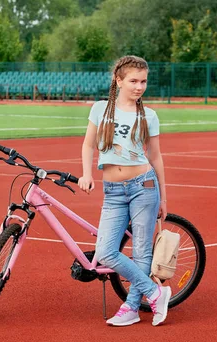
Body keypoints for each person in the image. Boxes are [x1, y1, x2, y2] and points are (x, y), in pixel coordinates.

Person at [78, 55, 171, 327]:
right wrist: (86, 173)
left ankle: (131, 307)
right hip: (113, 190)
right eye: (133, 81)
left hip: (144, 186)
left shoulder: (149, 115)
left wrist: (163, 197)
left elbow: (156, 157)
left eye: (143, 81)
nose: (139, 86)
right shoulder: (100, 109)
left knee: (142, 252)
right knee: (105, 252)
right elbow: (88, 145)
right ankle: (155, 293)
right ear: (118, 80)